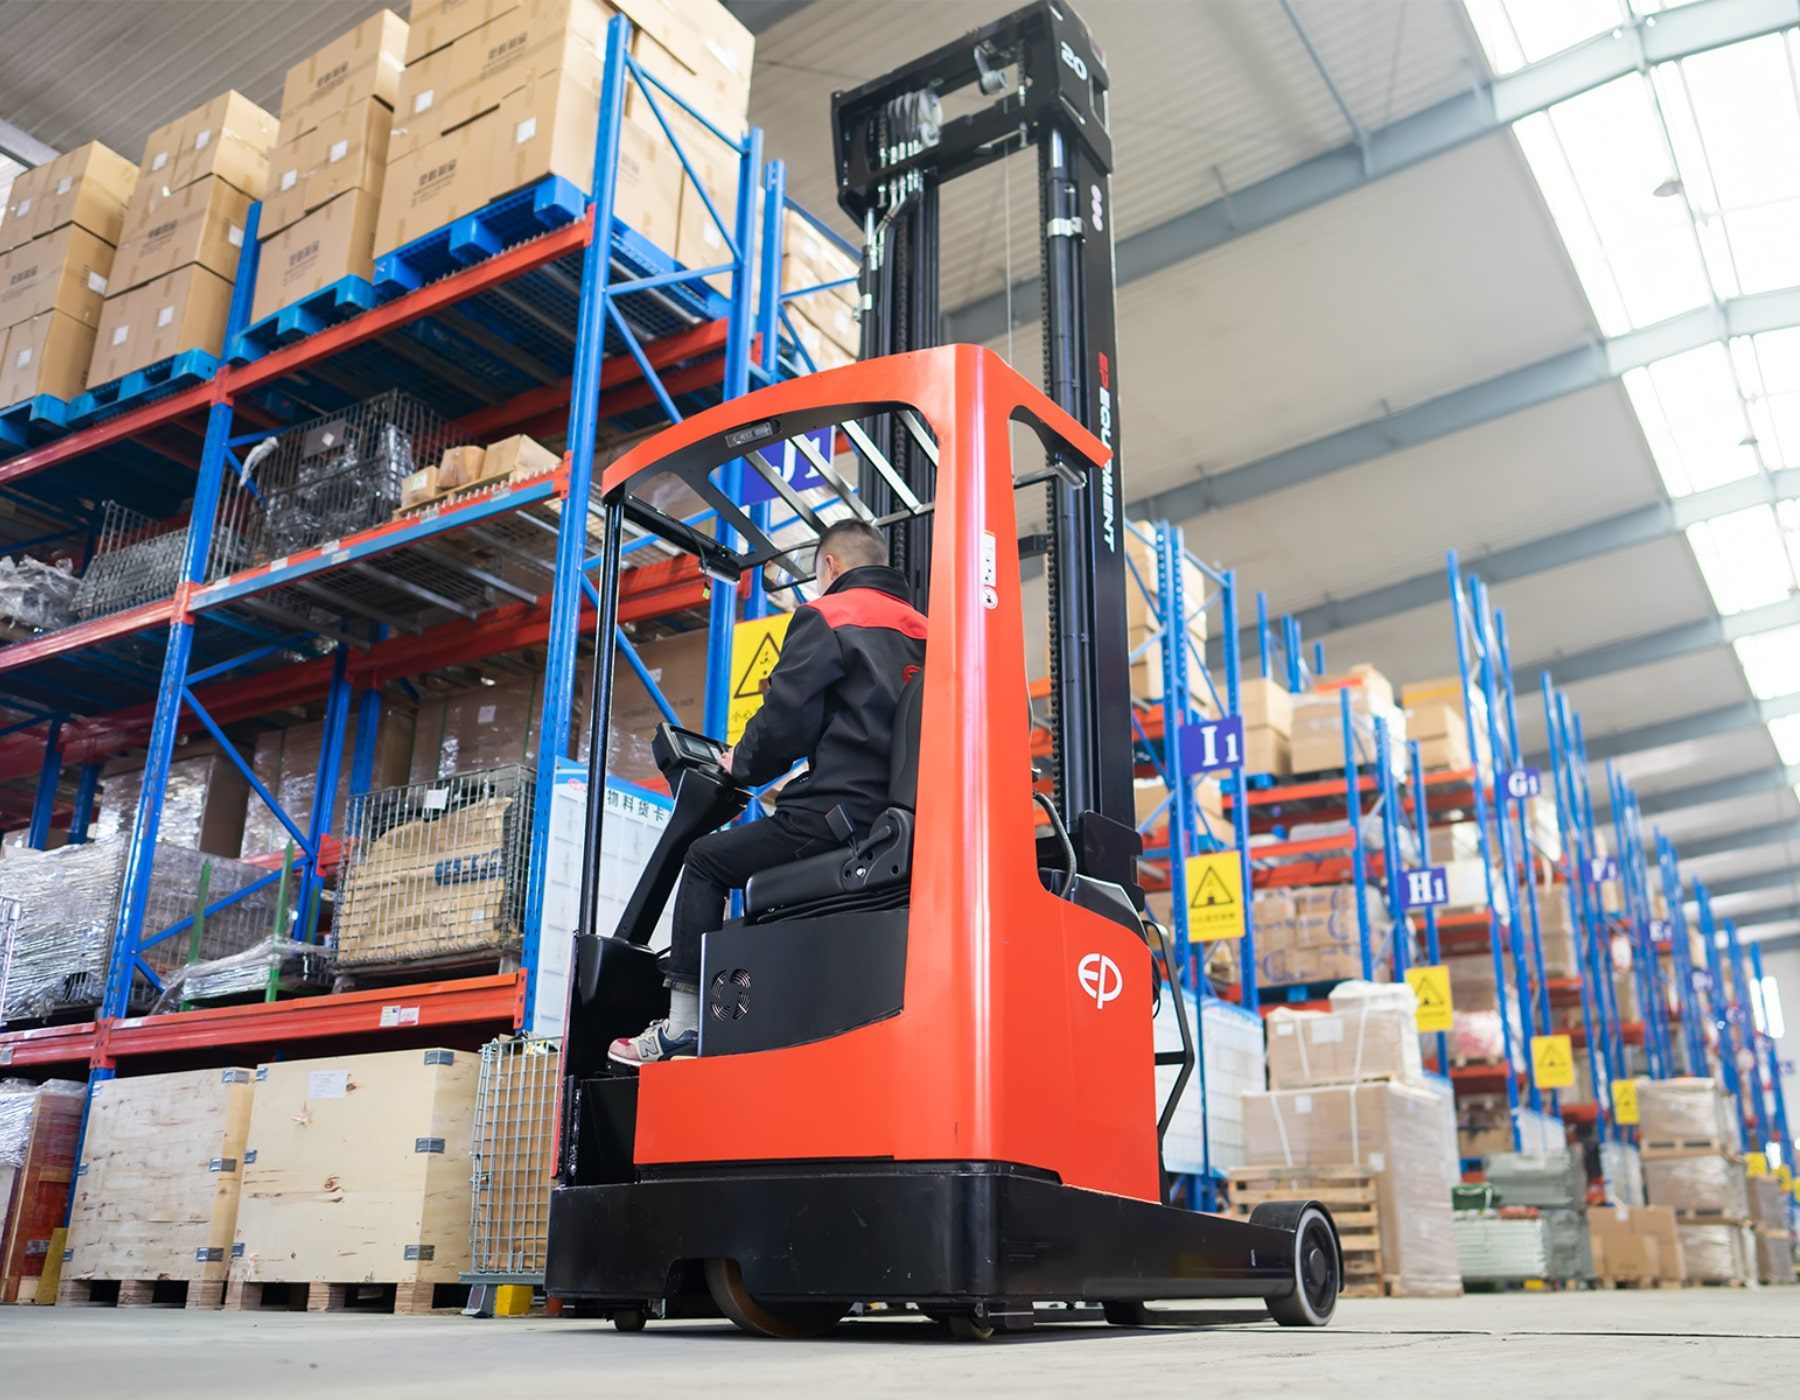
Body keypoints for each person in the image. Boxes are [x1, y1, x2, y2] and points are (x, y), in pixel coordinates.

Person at [610, 518, 927, 1066]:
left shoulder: (828, 615)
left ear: (830, 567)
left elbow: (784, 724)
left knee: (704, 860)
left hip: (837, 819)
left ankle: (684, 1027)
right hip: (899, 822)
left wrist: (741, 765)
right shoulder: (930, 630)